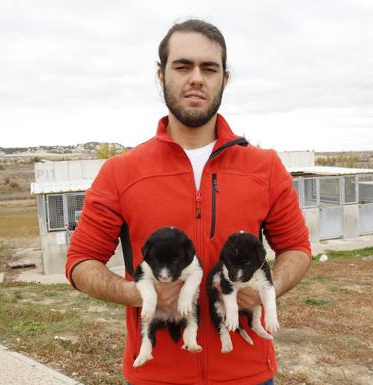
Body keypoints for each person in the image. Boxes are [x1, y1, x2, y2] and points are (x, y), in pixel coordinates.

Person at [65, 19, 311, 385]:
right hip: (156, 376)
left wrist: (261, 292)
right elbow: (80, 262)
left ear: (224, 79)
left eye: (208, 68)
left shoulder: (265, 167)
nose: (196, 78)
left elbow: (296, 249)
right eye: (183, 66)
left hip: (249, 376)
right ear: (161, 75)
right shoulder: (121, 172)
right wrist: (138, 293)